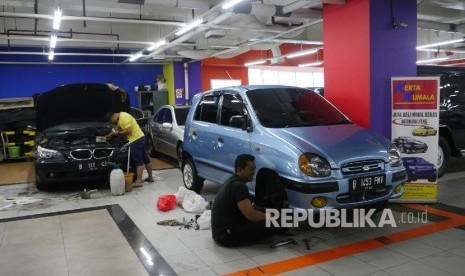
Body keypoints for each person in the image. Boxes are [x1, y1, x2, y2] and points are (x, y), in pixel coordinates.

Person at [211, 154, 276, 247]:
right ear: (239, 170)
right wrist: (269, 216)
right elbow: (252, 216)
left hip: (220, 232)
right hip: (224, 236)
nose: (253, 172)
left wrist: (264, 210)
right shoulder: (239, 186)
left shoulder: (232, 180)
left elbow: (247, 207)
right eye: (250, 169)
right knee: (268, 224)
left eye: (254, 169)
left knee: (262, 215)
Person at [105, 111, 154, 187]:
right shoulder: (120, 118)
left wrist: (119, 133)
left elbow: (129, 130)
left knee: (138, 160)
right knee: (145, 158)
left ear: (113, 117)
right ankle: (150, 178)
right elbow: (117, 128)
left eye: (112, 121)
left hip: (136, 139)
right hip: (140, 137)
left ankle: (138, 181)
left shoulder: (124, 117)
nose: (113, 122)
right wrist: (110, 135)